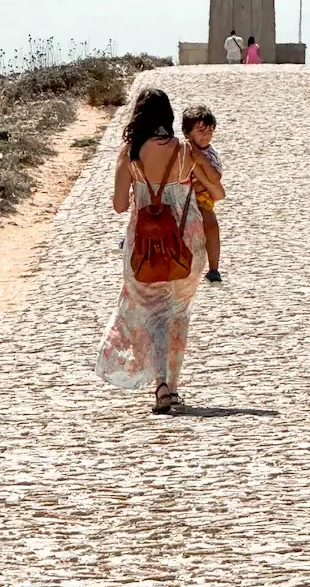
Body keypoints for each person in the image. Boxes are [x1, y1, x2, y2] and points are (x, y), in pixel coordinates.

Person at [96, 88, 225, 414]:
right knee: (177, 314)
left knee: (154, 315)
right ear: (168, 116)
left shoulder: (130, 152)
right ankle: (173, 385)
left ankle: (161, 386)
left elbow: (119, 205)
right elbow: (217, 192)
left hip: (143, 246)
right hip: (187, 243)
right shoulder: (184, 152)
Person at [182, 105, 224, 284]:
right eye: (200, 131)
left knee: (212, 225)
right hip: (179, 193)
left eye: (210, 131)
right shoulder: (179, 149)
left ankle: (214, 268)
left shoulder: (211, 154)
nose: (206, 136)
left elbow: (215, 178)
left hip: (201, 197)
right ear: (187, 132)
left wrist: (201, 160)